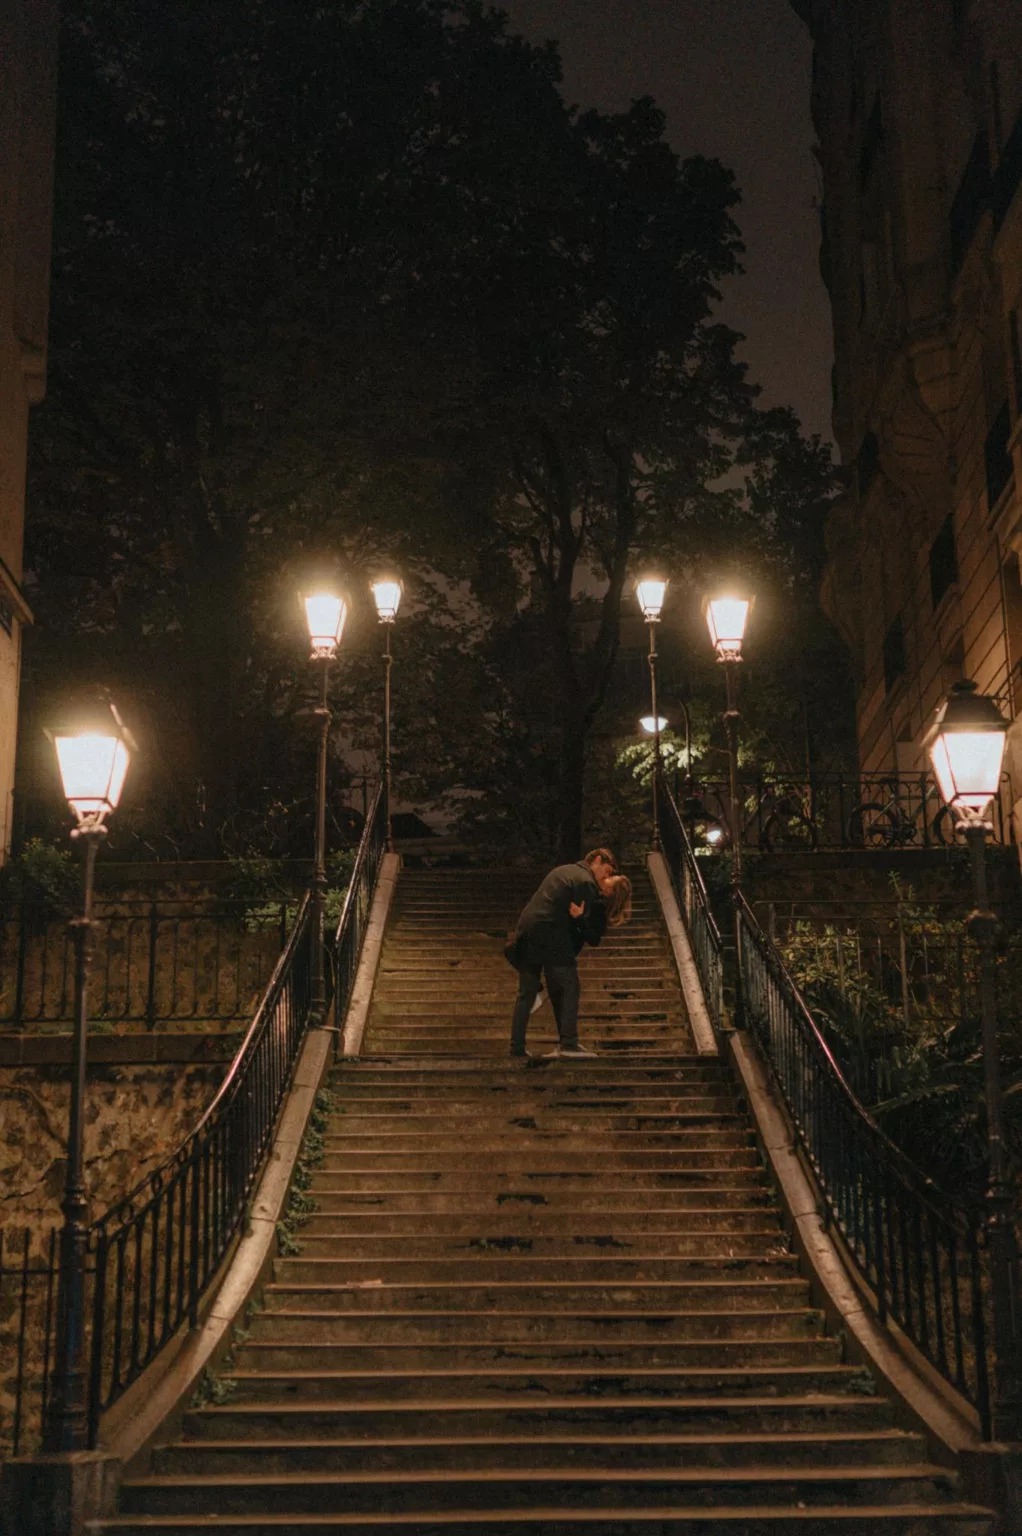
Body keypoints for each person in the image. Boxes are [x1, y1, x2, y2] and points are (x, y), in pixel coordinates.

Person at [505, 848, 631, 1058]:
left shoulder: (564, 870)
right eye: (607, 871)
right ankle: (569, 1044)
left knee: (527, 993)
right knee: (570, 986)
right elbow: (585, 930)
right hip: (551, 935)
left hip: (526, 931)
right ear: (597, 860)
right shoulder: (586, 882)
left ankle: (516, 1047)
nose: (606, 877)